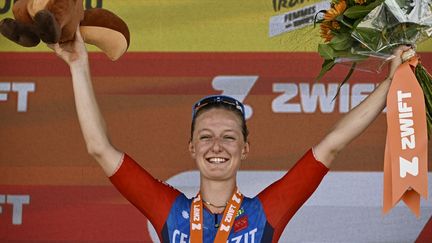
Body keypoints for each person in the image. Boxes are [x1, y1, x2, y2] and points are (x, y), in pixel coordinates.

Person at [49, 29, 411, 243]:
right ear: (191, 148)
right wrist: (79, 64)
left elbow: (333, 143)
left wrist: (390, 83)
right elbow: (99, 148)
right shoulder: (170, 212)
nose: (217, 146)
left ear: (245, 148)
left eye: (228, 137)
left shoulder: (263, 213)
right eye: (205, 137)